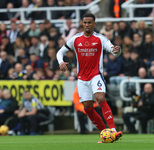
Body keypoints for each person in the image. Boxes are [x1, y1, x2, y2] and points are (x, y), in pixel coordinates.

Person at [57, 13, 122, 142]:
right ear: (82, 23)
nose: (87, 25)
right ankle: (105, 134)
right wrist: (60, 62)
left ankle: (113, 131)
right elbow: (60, 52)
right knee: (88, 107)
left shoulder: (100, 39)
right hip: (82, 78)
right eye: (85, 22)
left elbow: (114, 50)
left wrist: (117, 50)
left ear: (94, 24)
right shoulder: (76, 39)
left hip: (96, 75)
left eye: (89, 22)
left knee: (100, 98)